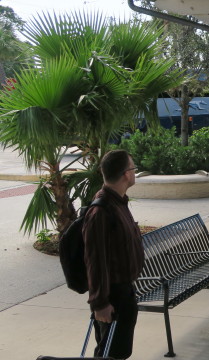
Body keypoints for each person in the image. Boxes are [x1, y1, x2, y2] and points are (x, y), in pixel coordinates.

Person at [83, 150, 144, 359]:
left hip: (124, 292)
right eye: (133, 168)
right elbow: (95, 260)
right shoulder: (101, 210)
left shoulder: (118, 202)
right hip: (112, 298)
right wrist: (100, 304)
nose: (135, 172)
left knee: (119, 352)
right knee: (109, 354)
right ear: (126, 174)